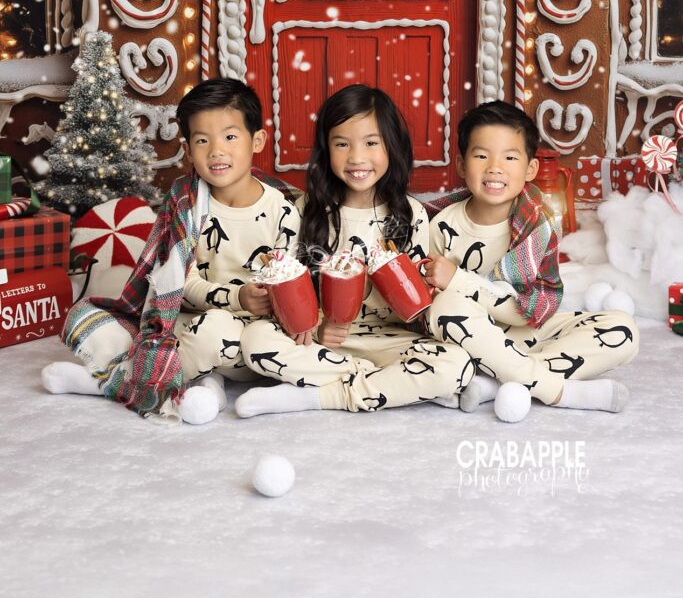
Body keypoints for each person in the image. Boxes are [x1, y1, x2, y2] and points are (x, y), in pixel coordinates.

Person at [42, 78, 299, 425]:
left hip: (247, 337)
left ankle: (116, 382)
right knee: (98, 322)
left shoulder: (282, 211)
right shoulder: (187, 203)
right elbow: (177, 282)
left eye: (230, 136)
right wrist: (236, 296)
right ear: (189, 150)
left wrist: (265, 299)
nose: (216, 151)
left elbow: (291, 284)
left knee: (222, 333)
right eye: (202, 140)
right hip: (187, 322)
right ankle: (202, 382)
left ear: (258, 140)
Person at [234, 84, 473, 417]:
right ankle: (391, 384)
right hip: (321, 343)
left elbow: (415, 307)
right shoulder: (306, 210)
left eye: (371, 143)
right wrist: (318, 325)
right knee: (256, 340)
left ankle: (319, 396)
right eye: (342, 144)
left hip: (387, 339)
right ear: (325, 150)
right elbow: (289, 291)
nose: (357, 158)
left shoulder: (411, 215)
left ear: (393, 147)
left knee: (457, 364)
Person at [423, 100, 639, 415]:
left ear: (530, 168)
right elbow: (435, 313)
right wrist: (451, 292)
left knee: (623, 329)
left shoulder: (537, 224)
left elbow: (527, 313)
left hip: (527, 333)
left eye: (510, 157)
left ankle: (495, 382)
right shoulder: (441, 224)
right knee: (445, 308)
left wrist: (457, 279)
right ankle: (557, 390)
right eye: (481, 155)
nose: (494, 167)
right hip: (470, 339)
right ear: (461, 164)